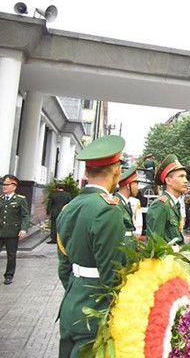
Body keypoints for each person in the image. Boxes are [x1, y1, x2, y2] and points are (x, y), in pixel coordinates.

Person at [56, 135, 127, 357]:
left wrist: (78, 288)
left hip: (72, 300)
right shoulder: (107, 209)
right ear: (117, 170)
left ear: (87, 173)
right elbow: (112, 274)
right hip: (95, 310)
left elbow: (64, 266)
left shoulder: (69, 207)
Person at [146, 154, 187, 245]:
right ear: (168, 181)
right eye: (181, 176)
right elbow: (155, 243)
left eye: (185, 176)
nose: (185, 180)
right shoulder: (161, 204)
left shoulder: (174, 204)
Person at [1, 175, 29, 285]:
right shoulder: (1, 199)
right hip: (0, 230)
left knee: (11, 255)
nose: (4, 187)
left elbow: (25, 215)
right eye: (3, 184)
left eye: (7, 185)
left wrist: (24, 229)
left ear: (14, 186)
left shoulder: (20, 199)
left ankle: (9, 275)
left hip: (12, 232)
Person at [115, 165, 139, 242]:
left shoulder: (125, 203)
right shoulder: (116, 205)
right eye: (136, 184)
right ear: (128, 185)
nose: (138, 188)